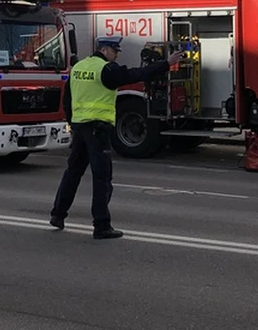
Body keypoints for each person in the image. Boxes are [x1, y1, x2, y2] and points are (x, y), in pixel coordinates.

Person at [50, 36, 186, 239]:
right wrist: (166, 63)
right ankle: (101, 226)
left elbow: (67, 99)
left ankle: (58, 215)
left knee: (73, 172)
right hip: (98, 129)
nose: (116, 56)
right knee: (102, 178)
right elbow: (136, 74)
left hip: (80, 128)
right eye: (115, 51)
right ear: (105, 50)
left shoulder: (78, 67)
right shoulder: (106, 69)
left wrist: (73, 123)